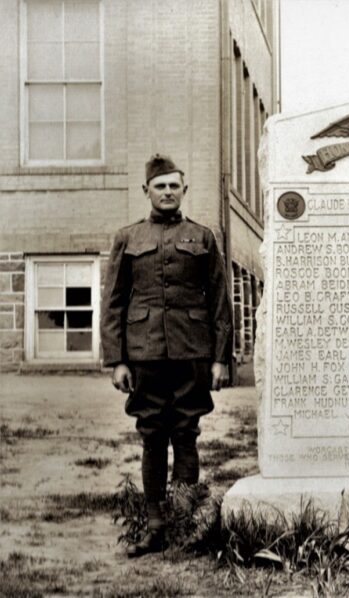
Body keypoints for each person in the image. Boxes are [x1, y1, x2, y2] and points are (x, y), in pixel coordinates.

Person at [101, 154, 233, 557]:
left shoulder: (204, 237)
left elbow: (219, 302)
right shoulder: (128, 238)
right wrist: (117, 360)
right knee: (153, 435)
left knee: (186, 433)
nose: (168, 192)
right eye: (160, 186)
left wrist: (220, 358)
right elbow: (114, 303)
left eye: (174, 185)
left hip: (192, 351)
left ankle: (186, 522)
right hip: (145, 354)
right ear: (146, 192)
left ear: (184, 190)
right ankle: (155, 527)